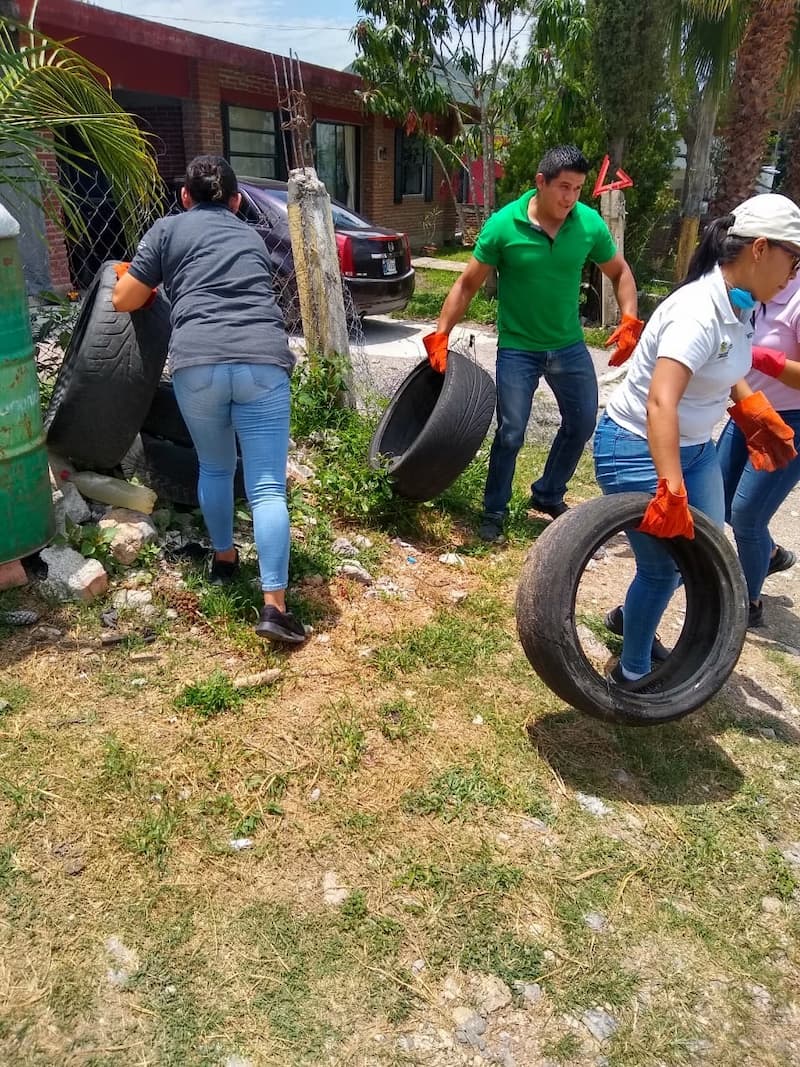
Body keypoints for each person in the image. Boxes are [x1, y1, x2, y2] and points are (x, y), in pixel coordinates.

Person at [593, 193, 800, 690]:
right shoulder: (698, 311)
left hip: (695, 449)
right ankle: (634, 676)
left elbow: (729, 365)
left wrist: (751, 409)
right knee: (664, 569)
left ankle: (632, 621)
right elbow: (661, 401)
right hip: (637, 447)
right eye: (793, 260)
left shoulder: (742, 303)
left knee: (706, 553)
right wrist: (670, 485)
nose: (794, 274)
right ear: (760, 249)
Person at [111, 155, 306, 645]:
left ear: (184, 197)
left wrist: (143, 279)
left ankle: (224, 559)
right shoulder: (252, 237)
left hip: (198, 364)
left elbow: (124, 299)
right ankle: (275, 608)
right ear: (237, 202)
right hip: (263, 361)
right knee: (266, 487)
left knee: (215, 468)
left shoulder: (167, 229)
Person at [423, 144, 641, 542]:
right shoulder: (504, 225)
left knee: (581, 423)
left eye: (577, 189)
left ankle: (547, 493)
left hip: (569, 345)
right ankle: (494, 510)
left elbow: (619, 271)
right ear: (540, 183)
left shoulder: (589, 224)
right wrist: (441, 333)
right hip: (519, 348)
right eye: (563, 187)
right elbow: (467, 283)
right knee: (511, 431)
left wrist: (630, 318)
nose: (570, 198)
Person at [717, 273, 800, 628]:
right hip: (747, 409)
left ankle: (747, 604)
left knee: (748, 516)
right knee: (717, 500)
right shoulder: (752, 286)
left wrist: (769, 361)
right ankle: (767, 553)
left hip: (789, 422)